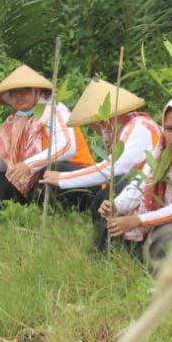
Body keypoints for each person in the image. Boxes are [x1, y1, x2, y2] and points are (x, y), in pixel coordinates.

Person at [0, 64, 95, 210]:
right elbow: (5, 166)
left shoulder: (54, 111)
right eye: (14, 92)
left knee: (51, 170)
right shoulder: (16, 122)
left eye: (25, 90)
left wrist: (29, 164)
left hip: (80, 180)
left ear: (37, 91)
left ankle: (57, 213)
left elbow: (67, 148)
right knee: (0, 178)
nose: (19, 96)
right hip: (40, 180)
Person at [56, 79, 162, 249]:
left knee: (112, 191)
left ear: (103, 120)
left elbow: (115, 167)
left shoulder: (140, 126)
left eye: (93, 126)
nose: (95, 131)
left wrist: (63, 179)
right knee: (102, 197)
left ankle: (105, 249)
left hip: (151, 188)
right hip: (136, 185)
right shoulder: (125, 128)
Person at [103, 95, 172, 265]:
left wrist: (137, 220)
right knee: (115, 215)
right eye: (168, 129)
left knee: (163, 239)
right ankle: (106, 260)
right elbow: (139, 186)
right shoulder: (162, 153)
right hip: (160, 214)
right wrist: (115, 205)